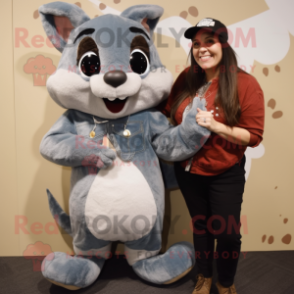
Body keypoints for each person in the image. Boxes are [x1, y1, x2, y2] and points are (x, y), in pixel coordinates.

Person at [161, 18, 264, 294]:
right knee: (201, 226)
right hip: (188, 171)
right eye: (196, 44)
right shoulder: (187, 78)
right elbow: (166, 111)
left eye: (210, 42)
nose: (202, 49)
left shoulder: (245, 83)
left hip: (225, 171)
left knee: (227, 234)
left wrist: (215, 125)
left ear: (223, 45)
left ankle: (225, 281)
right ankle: (204, 277)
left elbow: (253, 136)